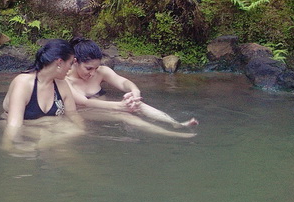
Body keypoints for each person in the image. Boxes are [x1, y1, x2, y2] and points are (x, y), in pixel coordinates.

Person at [67, 38, 197, 132]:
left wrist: (135, 92)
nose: (93, 72)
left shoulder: (101, 72)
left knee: (138, 104)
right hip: (85, 112)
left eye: (96, 68)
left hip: (110, 107)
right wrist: (120, 106)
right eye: (88, 68)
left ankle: (175, 123)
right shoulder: (66, 81)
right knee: (124, 114)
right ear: (75, 62)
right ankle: (169, 134)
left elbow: (123, 83)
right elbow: (85, 103)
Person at [0, 39, 83, 149]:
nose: (71, 68)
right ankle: (40, 145)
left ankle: (39, 145)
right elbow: (14, 124)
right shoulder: (23, 83)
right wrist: (7, 144)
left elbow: (72, 114)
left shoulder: (62, 84)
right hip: (20, 126)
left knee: (75, 131)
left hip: (47, 129)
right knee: (53, 134)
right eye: (70, 63)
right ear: (59, 63)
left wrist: (82, 129)